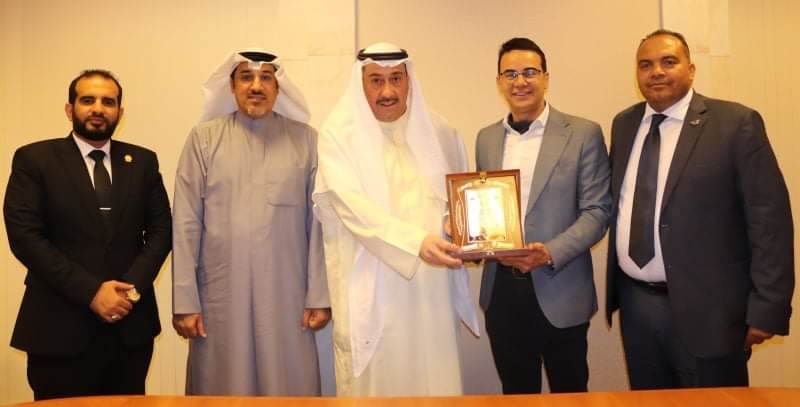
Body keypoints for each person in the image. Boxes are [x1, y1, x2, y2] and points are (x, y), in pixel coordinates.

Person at [606, 29, 794, 390]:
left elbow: (770, 222)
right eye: (645, 65)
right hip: (637, 306)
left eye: (668, 62)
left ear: (691, 70)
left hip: (713, 311)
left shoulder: (736, 124)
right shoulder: (624, 124)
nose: (656, 72)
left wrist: (767, 308)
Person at [313, 42, 480, 396]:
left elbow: (457, 196)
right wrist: (416, 243)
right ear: (361, 83)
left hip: (432, 288)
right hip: (372, 288)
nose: (387, 91)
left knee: (433, 377)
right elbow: (352, 207)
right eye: (376, 80)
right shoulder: (338, 136)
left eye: (396, 79)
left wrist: (454, 223)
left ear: (409, 80)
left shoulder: (440, 131)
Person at [3, 69, 172, 400]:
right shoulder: (34, 159)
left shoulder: (142, 161)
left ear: (120, 112)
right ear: (70, 109)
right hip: (58, 328)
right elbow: (25, 236)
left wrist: (128, 292)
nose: (98, 108)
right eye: (88, 100)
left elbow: (162, 231)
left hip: (129, 329)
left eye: (108, 102)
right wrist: (92, 292)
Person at [171, 50, 330, 396]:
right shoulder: (203, 140)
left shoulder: (306, 140)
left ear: (278, 87)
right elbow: (185, 224)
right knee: (222, 385)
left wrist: (319, 295)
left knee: (288, 386)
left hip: (288, 295)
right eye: (246, 77)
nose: (256, 86)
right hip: (220, 296)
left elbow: (319, 224)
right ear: (231, 86)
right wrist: (185, 301)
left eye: (266, 78)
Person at [475, 38, 611, 394]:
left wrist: (549, 252)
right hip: (502, 293)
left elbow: (598, 211)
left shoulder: (583, 133)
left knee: (571, 394)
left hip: (560, 285)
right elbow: (483, 208)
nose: (520, 81)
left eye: (530, 72)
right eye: (510, 74)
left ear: (546, 78)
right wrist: (469, 235)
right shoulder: (486, 138)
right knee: (516, 394)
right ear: (499, 81)